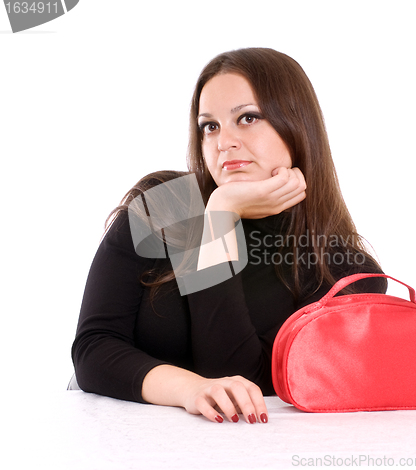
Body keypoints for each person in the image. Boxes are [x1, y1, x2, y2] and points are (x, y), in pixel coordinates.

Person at [71, 47, 387, 425]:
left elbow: (244, 382)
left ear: (297, 124)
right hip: (115, 439)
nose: (224, 142)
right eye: (210, 126)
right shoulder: (166, 206)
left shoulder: (345, 272)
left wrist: (220, 217)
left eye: (248, 118)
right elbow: (93, 350)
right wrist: (188, 389)